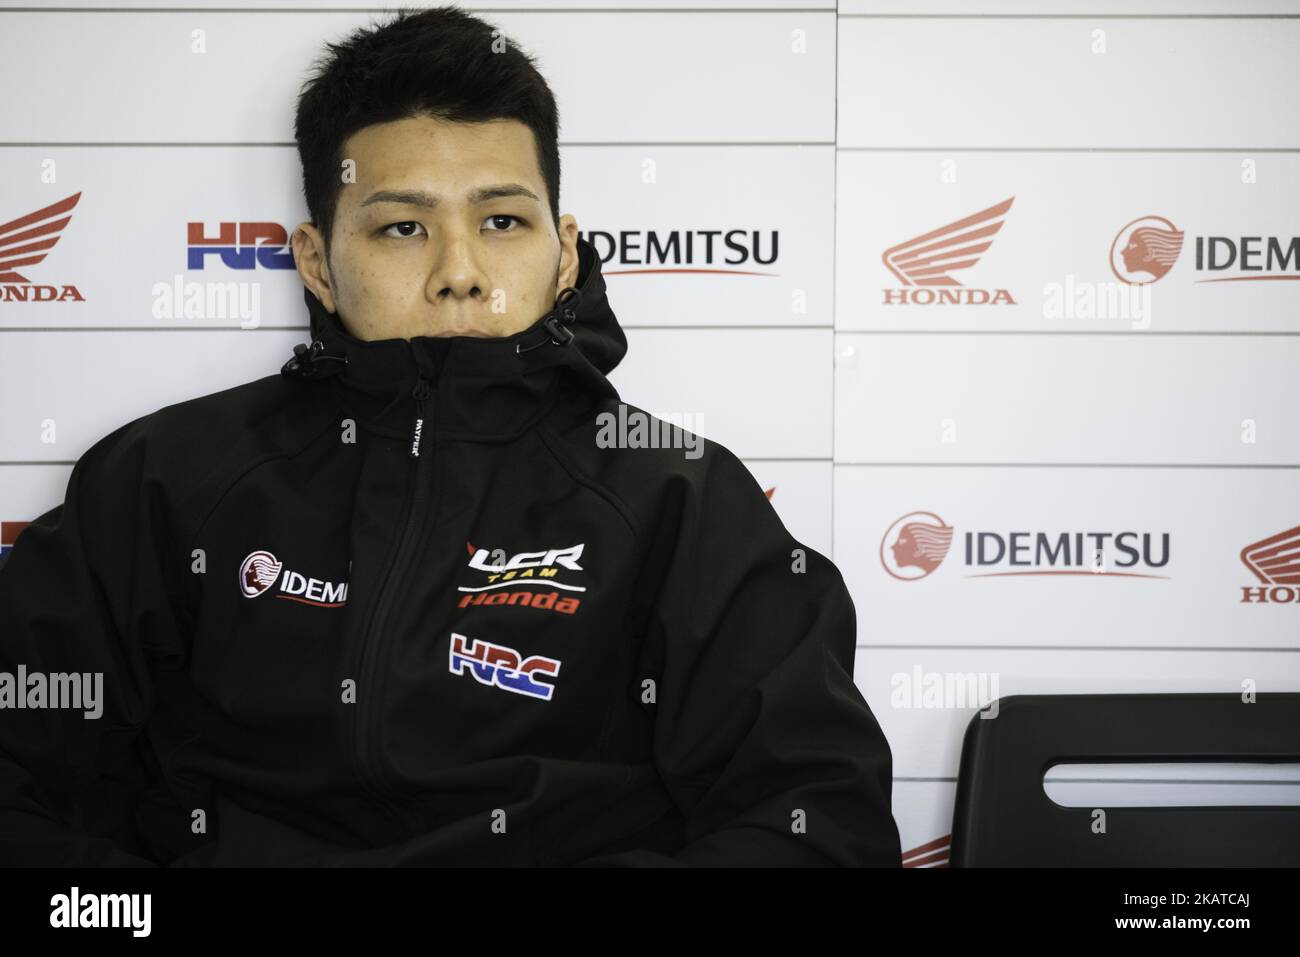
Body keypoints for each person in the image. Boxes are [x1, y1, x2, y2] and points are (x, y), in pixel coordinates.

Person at [0, 4, 900, 867]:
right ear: (316, 262)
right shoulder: (168, 476)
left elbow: (820, 825)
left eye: (502, 221)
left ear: (565, 253)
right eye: (402, 227)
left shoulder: (679, 497)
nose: (459, 273)